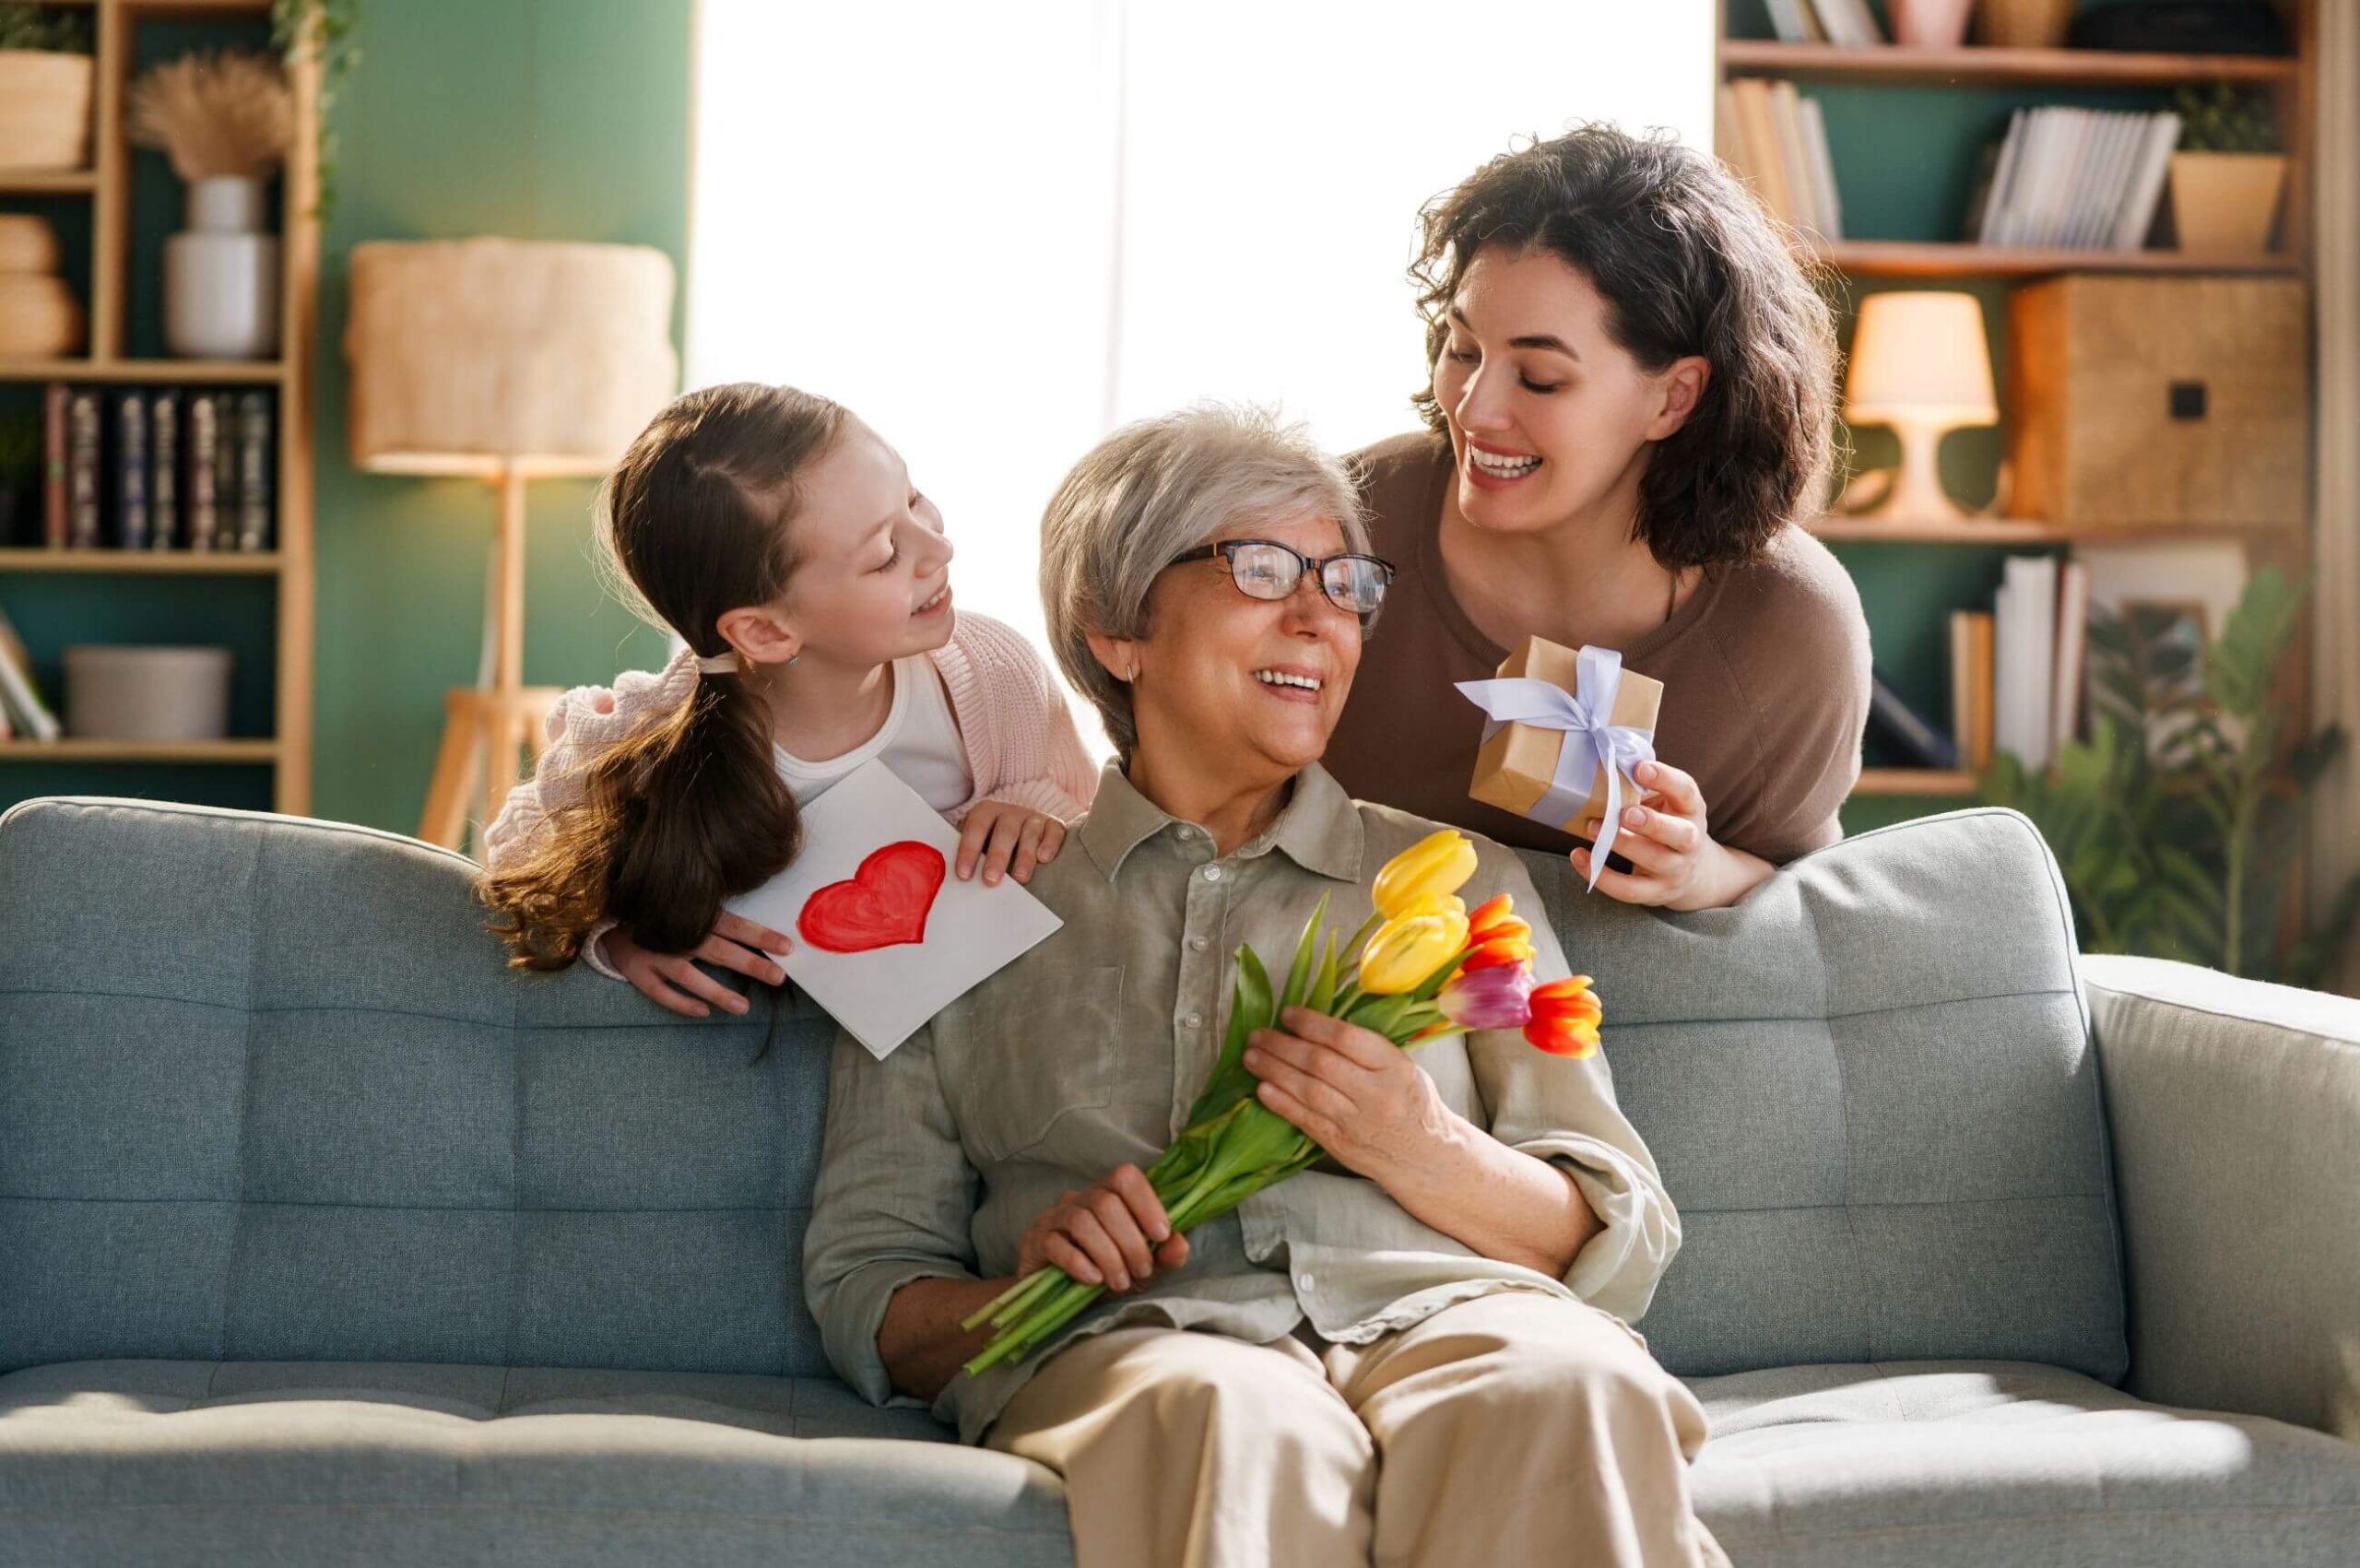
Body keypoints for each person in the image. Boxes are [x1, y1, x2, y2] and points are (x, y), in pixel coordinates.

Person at [805, 406, 1722, 1568]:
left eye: (1343, 584)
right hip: (1147, 1339)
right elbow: (862, 1285)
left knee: (1565, 1385)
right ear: (1115, 630)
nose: (1317, 617)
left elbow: (1616, 1237)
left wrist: (1419, 1143)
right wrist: (1025, 1287)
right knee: (1233, 1419)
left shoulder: (1458, 880)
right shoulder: (960, 906)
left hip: (1452, 1314)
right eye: (1259, 569)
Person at [1322, 124, 1870, 912]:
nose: (1475, 409)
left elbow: (1811, 912)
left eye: (1540, 378)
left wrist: (1706, 871)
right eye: (1464, 349)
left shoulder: (1787, 628)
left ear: (1673, 396)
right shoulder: (1350, 525)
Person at [478, 382, 1095, 1016]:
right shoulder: (654, 734)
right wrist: (620, 933)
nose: (938, 548)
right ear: (766, 631)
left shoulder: (993, 675)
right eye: (885, 554)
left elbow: (1093, 824)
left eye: (914, 499)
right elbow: (518, 859)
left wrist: (1036, 811)